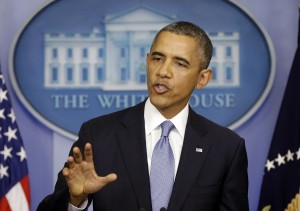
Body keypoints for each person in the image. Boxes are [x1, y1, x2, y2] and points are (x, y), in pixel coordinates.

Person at [37, 21, 249, 211]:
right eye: (157, 58)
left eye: (180, 63)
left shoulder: (226, 148)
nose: (163, 71)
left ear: (202, 78)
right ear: (147, 62)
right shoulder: (98, 134)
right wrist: (75, 198)